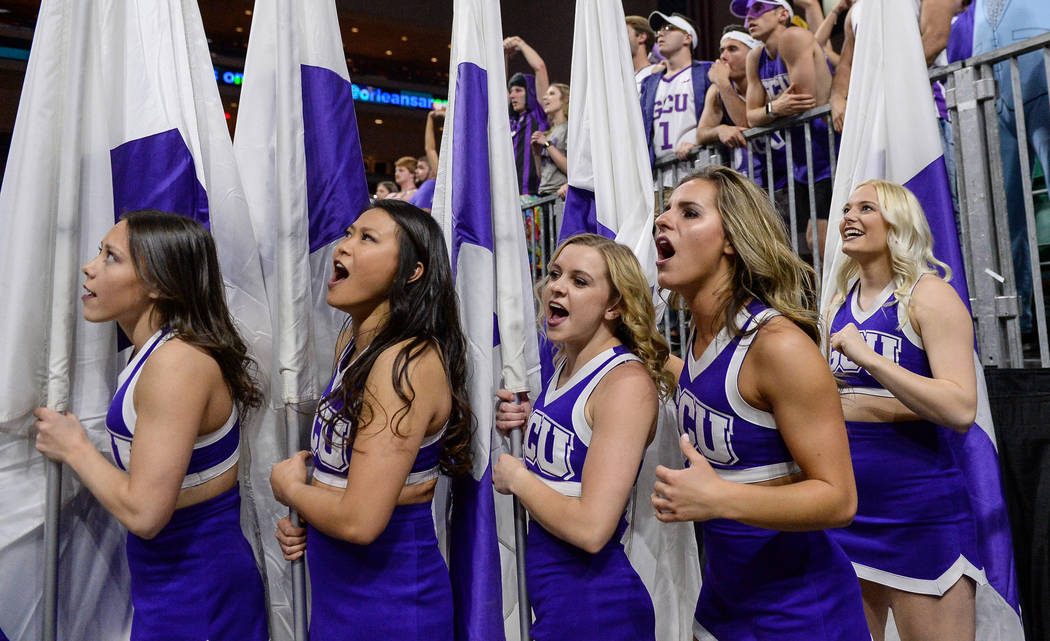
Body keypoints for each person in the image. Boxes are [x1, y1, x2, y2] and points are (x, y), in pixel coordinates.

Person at [650, 166, 869, 640]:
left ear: (732, 240)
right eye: (665, 211)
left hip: (798, 613)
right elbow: (714, 395)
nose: (663, 221)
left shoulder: (778, 345)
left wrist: (718, 498)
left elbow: (839, 498)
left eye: (688, 213)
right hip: (723, 601)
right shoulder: (702, 332)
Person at [34, 210, 267, 641]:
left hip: (198, 589)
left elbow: (145, 514)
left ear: (158, 284)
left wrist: (75, 449)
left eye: (111, 257)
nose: (90, 267)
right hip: (168, 579)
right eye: (98, 252)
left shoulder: (176, 363)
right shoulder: (154, 352)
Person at [270, 199, 472, 640]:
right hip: (339, 592)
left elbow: (361, 520)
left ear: (412, 271)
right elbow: (350, 485)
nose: (343, 247)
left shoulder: (405, 361)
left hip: (388, 604)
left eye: (367, 238)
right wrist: (314, 515)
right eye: (348, 233)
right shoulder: (353, 341)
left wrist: (293, 491)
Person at [492, 233, 672, 641]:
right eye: (555, 274)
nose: (556, 286)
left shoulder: (625, 383)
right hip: (560, 606)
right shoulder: (566, 368)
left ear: (615, 306)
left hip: (595, 611)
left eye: (579, 281)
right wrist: (529, 421)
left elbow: (592, 529)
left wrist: (518, 478)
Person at [826, 180, 983, 641]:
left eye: (866, 208)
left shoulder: (930, 296)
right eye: (848, 208)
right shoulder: (838, 302)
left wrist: (870, 360)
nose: (849, 217)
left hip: (919, 514)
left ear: (897, 223)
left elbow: (959, 407)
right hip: (849, 512)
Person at [744, 0, 836, 255]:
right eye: (747, 13)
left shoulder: (794, 37)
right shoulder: (755, 57)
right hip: (799, 161)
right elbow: (751, 117)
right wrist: (774, 108)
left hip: (826, 151)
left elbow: (803, 99)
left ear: (783, 13)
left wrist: (769, 110)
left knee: (821, 238)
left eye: (758, 9)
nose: (750, 17)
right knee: (804, 243)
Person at [640, 11, 714, 184]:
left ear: (687, 38)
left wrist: (697, 138)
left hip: (697, 169)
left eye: (668, 28)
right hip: (658, 178)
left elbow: (719, 115)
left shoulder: (706, 72)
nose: (660, 33)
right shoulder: (649, 83)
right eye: (659, 30)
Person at [696, 26, 763, 182]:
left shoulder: (766, 77)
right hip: (751, 178)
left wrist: (723, 83)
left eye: (732, 49)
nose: (723, 56)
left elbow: (747, 122)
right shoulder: (716, 90)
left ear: (753, 53)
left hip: (784, 171)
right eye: (722, 50)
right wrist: (720, 130)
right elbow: (701, 133)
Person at [505, 36, 550, 196]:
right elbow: (497, 83)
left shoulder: (539, 114)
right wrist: (503, 55)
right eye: (511, 91)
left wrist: (520, 44)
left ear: (529, 92)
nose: (512, 96)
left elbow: (540, 68)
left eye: (518, 90)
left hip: (534, 198)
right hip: (511, 200)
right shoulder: (511, 120)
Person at [532, 83, 570, 197]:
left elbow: (571, 169)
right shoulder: (548, 133)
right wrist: (536, 153)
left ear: (565, 99)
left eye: (552, 93)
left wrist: (547, 144)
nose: (545, 97)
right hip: (544, 194)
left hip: (560, 194)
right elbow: (542, 175)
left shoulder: (569, 128)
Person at [626, 15, 662, 93]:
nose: (620, 39)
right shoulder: (619, 77)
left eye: (625, 33)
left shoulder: (656, 72)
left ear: (641, 37)